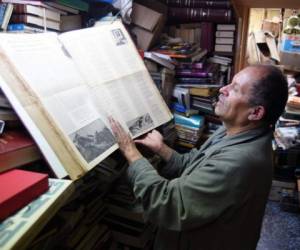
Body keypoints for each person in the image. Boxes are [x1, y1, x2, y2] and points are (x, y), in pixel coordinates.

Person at [109, 64, 288, 250]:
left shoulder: (240, 161)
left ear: (256, 113)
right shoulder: (233, 130)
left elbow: (168, 204)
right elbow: (194, 165)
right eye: (229, 83)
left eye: (234, 89)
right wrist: (161, 148)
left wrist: (131, 153)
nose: (222, 89)